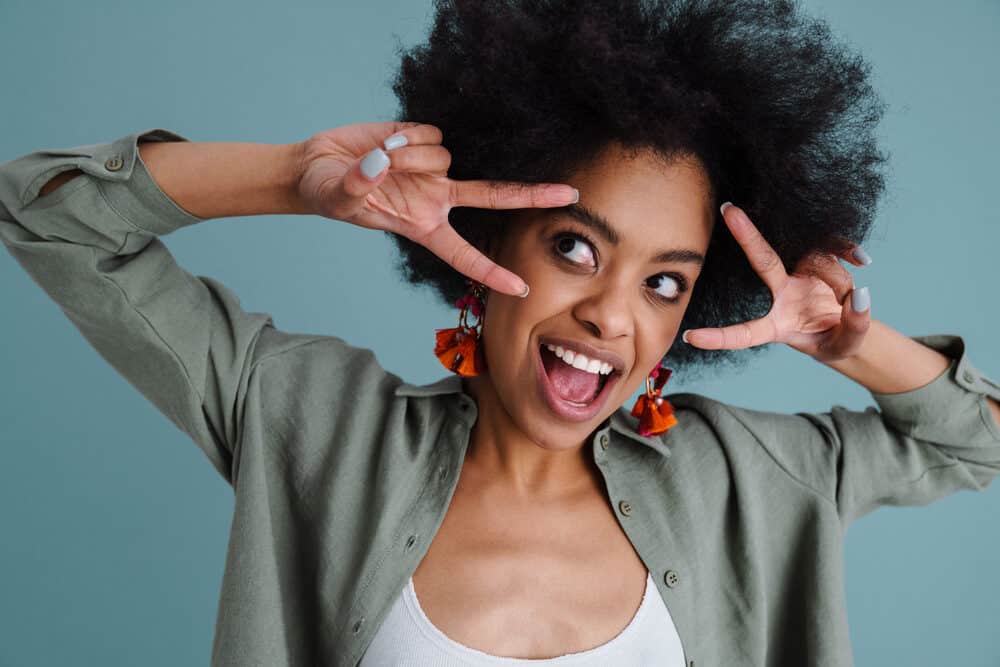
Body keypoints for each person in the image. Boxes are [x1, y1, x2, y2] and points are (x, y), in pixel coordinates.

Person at [2, 0, 999, 665]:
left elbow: (978, 439)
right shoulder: (311, 422)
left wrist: (848, 345)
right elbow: (43, 214)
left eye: (664, 281)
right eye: (574, 248)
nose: (612, 314)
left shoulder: (752, 481)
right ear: (485, 244)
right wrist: (294, 177)